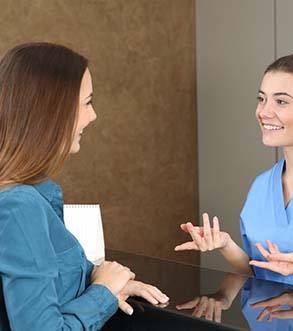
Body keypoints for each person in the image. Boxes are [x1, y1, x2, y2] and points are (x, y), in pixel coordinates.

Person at [0, 42, 168, 330]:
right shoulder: (19, 207)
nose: (93, 116)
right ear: (52, 112)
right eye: (87, 102)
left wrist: (108, 282)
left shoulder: (38, 193)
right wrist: (102, 294)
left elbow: (52, 279)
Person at [175, 53, 293, 293]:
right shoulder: (261, 186)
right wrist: (227, 245)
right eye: (261, 99)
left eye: (281, 101)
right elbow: (257, 273)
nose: (264, 112)